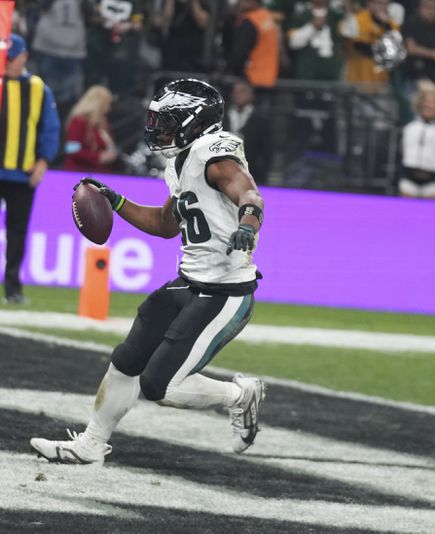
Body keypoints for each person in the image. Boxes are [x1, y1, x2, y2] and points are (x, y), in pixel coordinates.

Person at [30, 78, 267, 464]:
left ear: (196, 123)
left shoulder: (215, 153)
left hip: (225, 291)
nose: (159, 129)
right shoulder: (181, 160)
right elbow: (164, 223)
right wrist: (116, 200)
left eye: (168, 121)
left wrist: (247, 224)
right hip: (188, 282)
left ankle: (241, 395)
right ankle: (91, 444)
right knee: (127, 359)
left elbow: (249, 194)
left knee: (161, 385)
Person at [0, 34, 61, 305]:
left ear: (24, 56)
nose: (7, 63)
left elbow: (50, 127)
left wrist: (43, 161)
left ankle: (12, 287)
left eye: (10, 58)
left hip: (22, 174)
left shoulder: (38, 88)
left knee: (18, 232)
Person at [63, 85, 118, 173]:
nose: (108, 108)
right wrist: (98, 157)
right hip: (80, 174)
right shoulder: (79, 121)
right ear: (98, 104)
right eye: (106, 104)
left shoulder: (103, 123)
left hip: (99, 174)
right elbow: (72, 150)